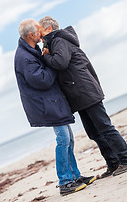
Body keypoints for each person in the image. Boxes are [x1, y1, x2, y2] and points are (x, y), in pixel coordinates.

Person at [14, 19, 95, 196]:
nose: (41, 33)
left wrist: (45, 57)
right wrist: (50, 61)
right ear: (32, 35)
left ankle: (75, 176)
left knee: (69, 138)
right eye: (38, 31)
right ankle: (65, 182)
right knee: (63, 139)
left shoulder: (31, 51)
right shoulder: (25, 57)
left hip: (52, 101)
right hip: (45, 104)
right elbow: (42, 80)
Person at [39, 16, 127, 178]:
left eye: (41, 31)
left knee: (105, 128)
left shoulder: (59, 40)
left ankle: (125, 159)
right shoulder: (56, 41)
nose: (39, 36)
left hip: (85, 91)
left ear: (49, 29)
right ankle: (113, 163)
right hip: (80, 94)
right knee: (94, 133)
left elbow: (60, 63)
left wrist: (45, 56)